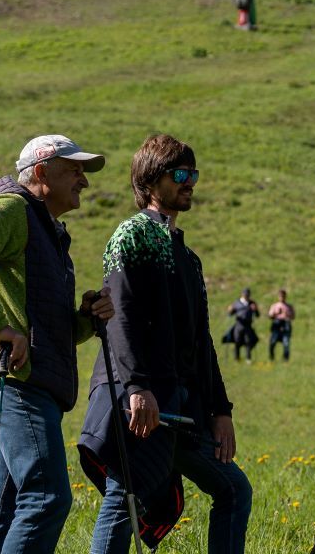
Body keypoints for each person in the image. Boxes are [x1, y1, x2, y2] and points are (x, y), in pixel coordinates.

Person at [78, 133, 251, 554]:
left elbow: (201, 340)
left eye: (193, 174)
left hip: (181, 404)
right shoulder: (131, 235)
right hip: (141, 397)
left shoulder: (188, 257)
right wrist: (137, 387)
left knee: (233, 489)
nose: (190, 183)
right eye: (180, 174)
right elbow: (120, 317)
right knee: (125, 495)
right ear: (151, 180)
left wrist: (221, 410)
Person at [0, 134, 114, 554]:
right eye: (73, 170)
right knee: (46, 497)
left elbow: (49, 329)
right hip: (15, 380)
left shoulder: (48, 232)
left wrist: (86, 318)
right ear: (40, 171)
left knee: (0, 513)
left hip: (28, 380)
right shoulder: (12, 208)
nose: (84, 181)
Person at [225, 289, 260, 362]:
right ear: (242, 294)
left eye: (247, 294)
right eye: (245, 294)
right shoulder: (237, 303)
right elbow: (230, 314)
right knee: (237, 341)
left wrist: (255, 309)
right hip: (239, 325)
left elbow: (257, 315)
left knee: (248, 341)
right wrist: (230, 310)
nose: (246, 296)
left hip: (248, 326)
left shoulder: (252, 303)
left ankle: (248, 358)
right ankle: (237, 358)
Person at [267, 289, 296, 362]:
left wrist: (287, 315)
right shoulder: (274, 306)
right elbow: (270, 316)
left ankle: (285, 359)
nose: (282, 297)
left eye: (283, 296)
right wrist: (276, 314)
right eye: (280, 296)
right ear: (278, 297)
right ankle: (271, 357)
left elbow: (293, 317)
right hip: (276, 325)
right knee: (272, 342)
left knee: (286, 343)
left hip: (286, 326)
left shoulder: (289, 306)